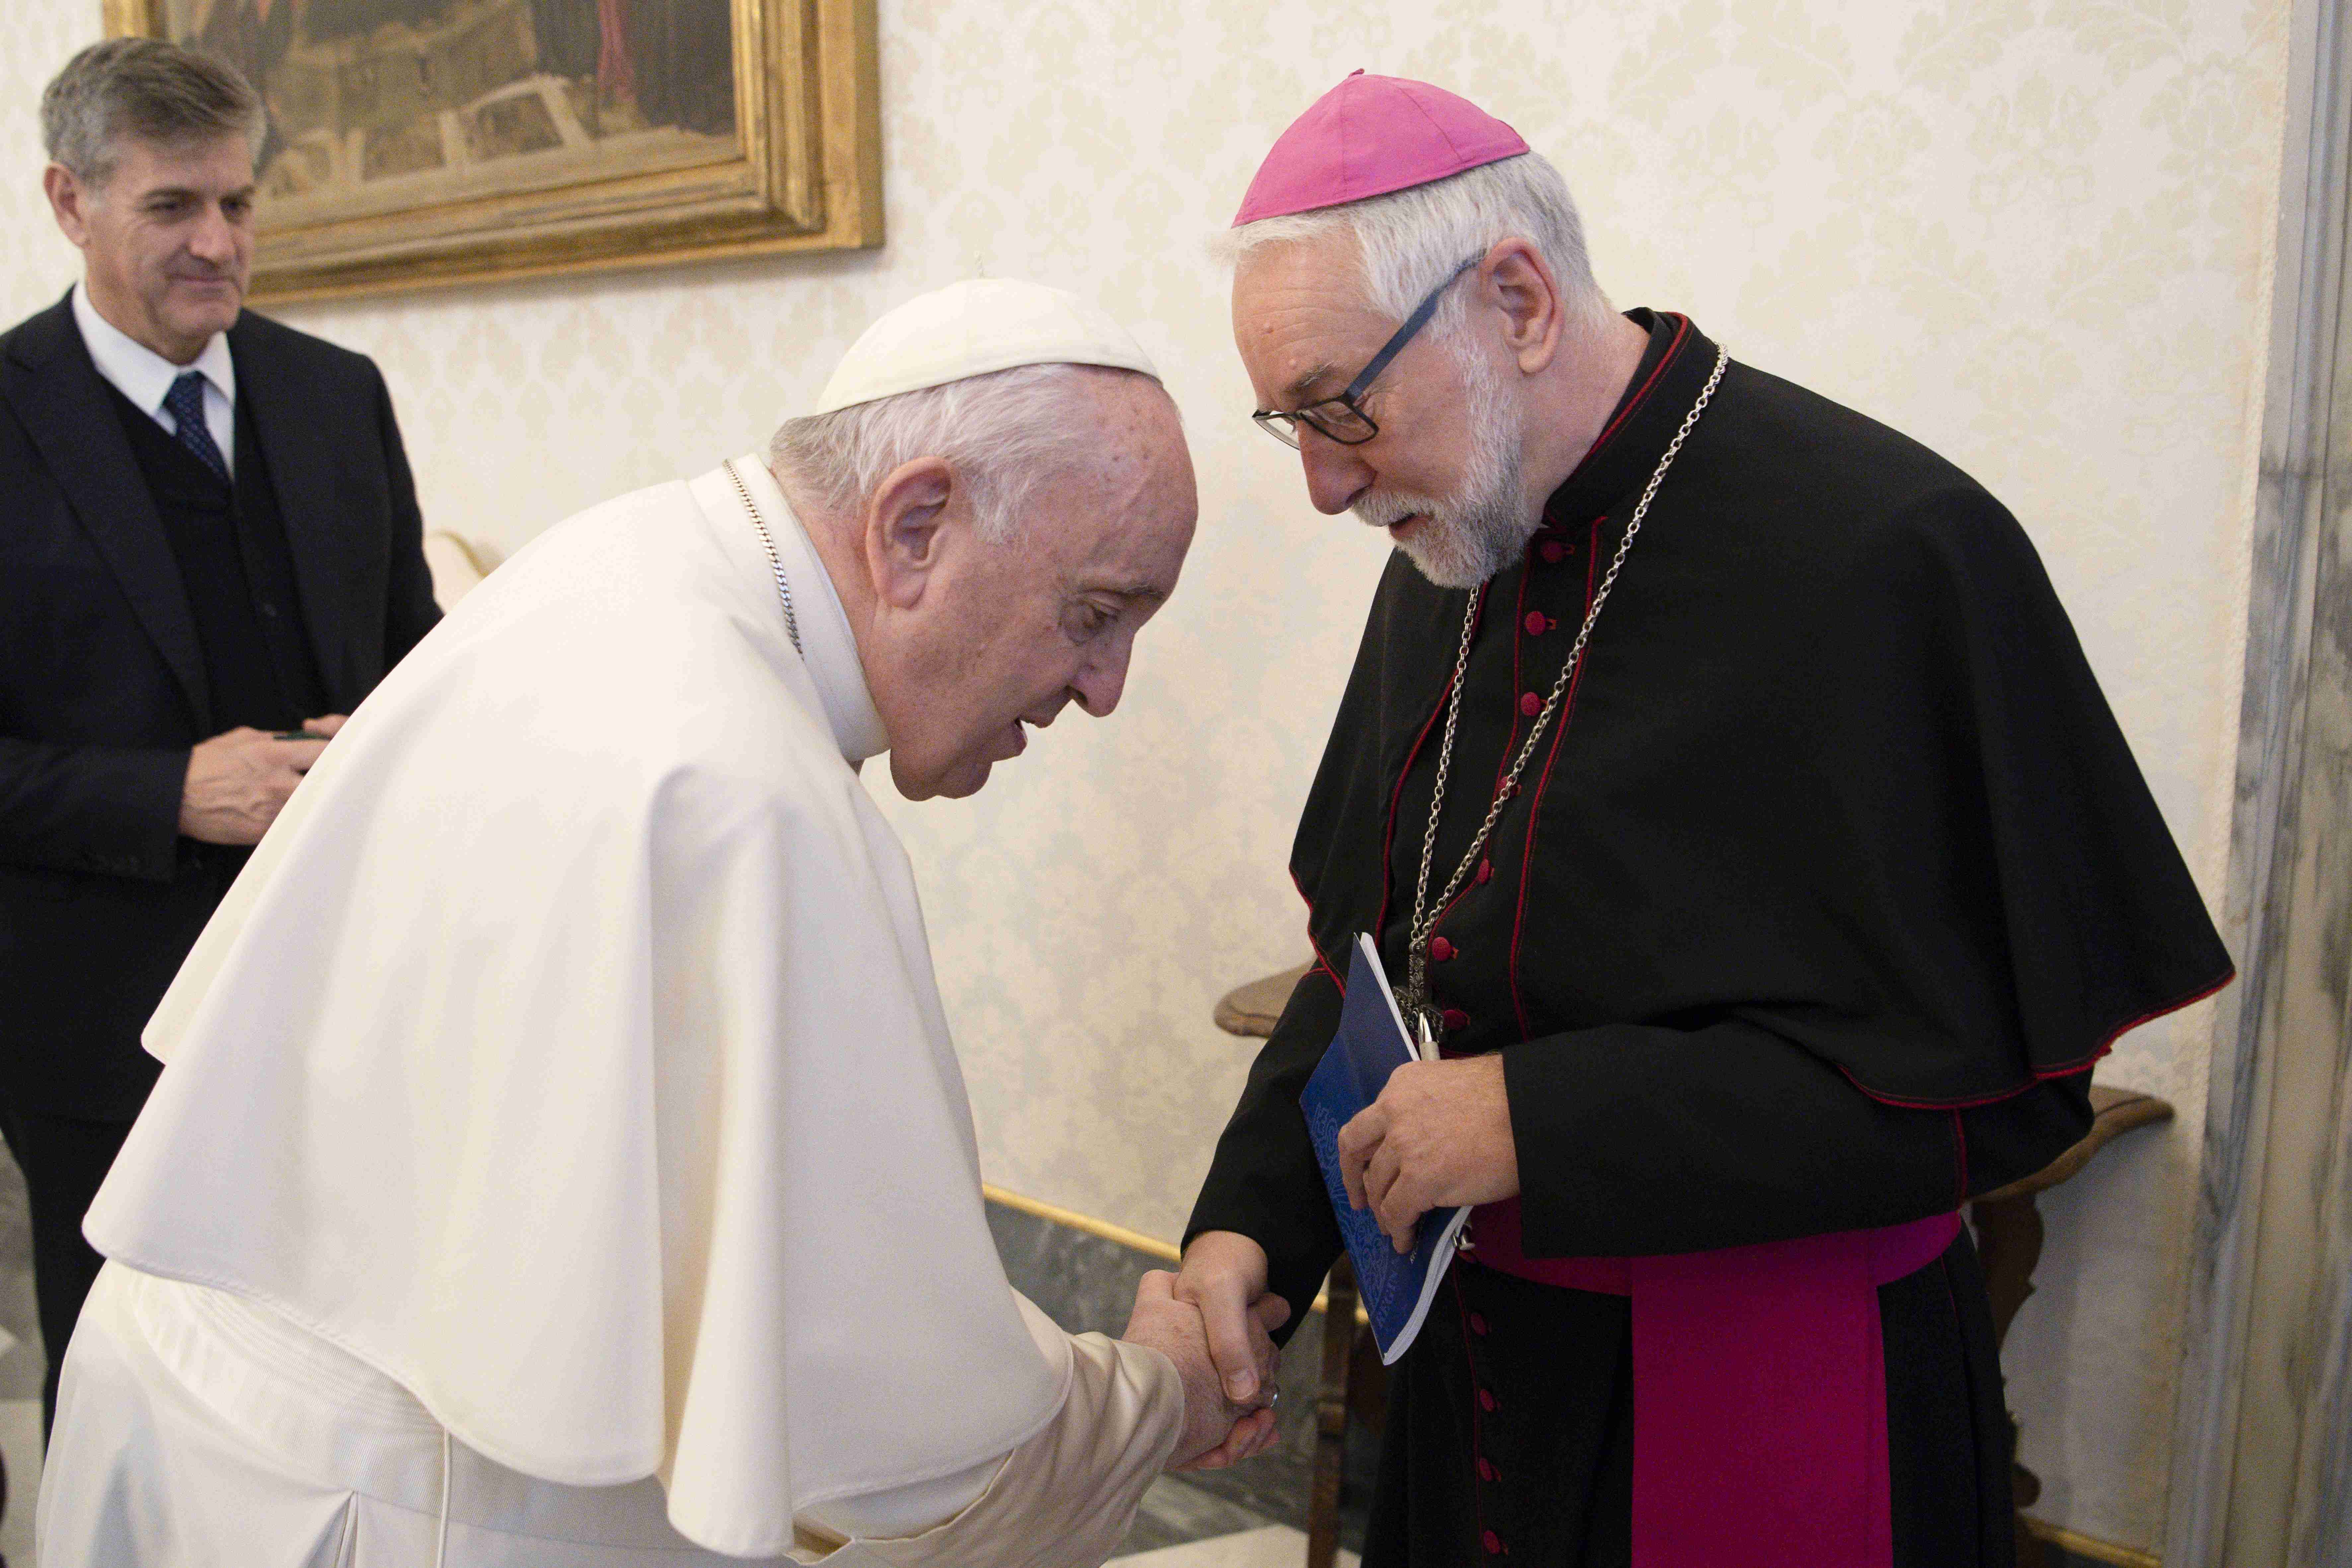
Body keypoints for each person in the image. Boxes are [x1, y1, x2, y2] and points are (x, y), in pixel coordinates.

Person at [38, 277, 1281, 1567]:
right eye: (1094, 613)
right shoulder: (740, 785)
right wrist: (1157, 1395)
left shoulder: (625, 559)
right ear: (915, 524)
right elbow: (916, 1460)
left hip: (184, 1422)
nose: (1105, 689)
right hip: (384, 1510)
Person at [1176, 72, 2235, 1568]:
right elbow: (1368, 964)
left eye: (1342, 408)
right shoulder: (1451, 539)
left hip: (1762, 1394)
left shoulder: (1888, 554)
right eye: (1289, 422)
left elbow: (2013, 1090)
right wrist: (1242, 1232)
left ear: (1518, 302)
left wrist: (1536, 1121)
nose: (1323, 483)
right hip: (1475, 1392)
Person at [0, 37, 439, 1428]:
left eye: (236, 206)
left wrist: (378, 732)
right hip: (93, 1017)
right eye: (171, 209)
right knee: (126, 1388)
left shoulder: (336, 396)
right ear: (71, 204)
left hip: (334, 995)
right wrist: (164, 793)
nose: (216, 245)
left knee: (331, 1380)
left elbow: (417, 660)